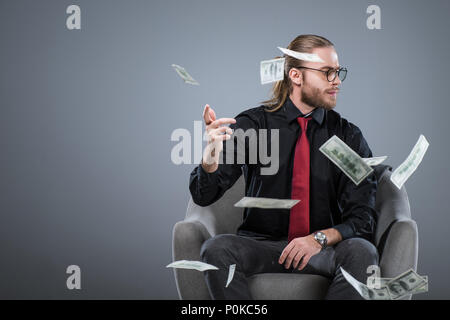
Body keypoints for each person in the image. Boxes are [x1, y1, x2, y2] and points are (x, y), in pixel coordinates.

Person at [189, 34, 379, 300]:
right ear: (296, 76)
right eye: (327, 72)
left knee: (362, 252)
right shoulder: (255, 126)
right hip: (264, 247)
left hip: (322, 250)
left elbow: (363, 218)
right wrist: (210, 153)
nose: (336, 81)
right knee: (216, 249)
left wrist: (318, 239)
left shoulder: (346, 137)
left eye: (338, 72)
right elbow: (204, 195)